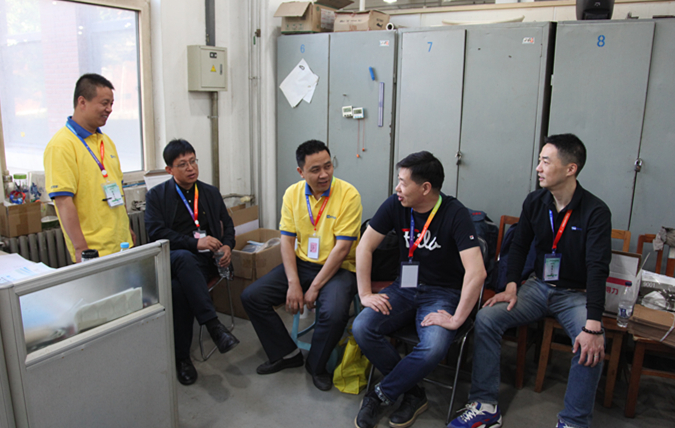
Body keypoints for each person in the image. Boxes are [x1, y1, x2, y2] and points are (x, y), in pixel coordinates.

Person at [448, 134, 611, 428]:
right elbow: (519, 246)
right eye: (539, 161)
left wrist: (594, 323)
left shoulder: (595, 212)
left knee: (590, 343)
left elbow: (598, 267)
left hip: (576, 294)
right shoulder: (535, 202)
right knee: (487, 318)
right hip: (537, 286)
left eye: (546, 161)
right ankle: (485, 405)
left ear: (570, 169)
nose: (538, 168)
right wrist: (511, 286)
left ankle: (574, 421)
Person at [353, 151, 487, 428]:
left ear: (425, 188)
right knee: (362, 327)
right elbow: (364, 246)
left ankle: (380, 394)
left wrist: (457, 319)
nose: (397, 188)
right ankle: (413, 392)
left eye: (403, 182)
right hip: (404, 287)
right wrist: (365, 294)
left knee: (433, 347)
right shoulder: (396, 204)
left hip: (442, 293)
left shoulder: (455, 213)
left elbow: (477, 272)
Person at [241, 140, 362, 391]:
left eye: (328, 166)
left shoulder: (348, 194)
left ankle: (316, 366)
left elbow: (341, 250)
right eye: (315, 169)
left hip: (339, 268)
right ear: (301, 172)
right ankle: (286, 354)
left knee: (334, 312)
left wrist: (314, 288)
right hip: (303, 263)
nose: (324, 174)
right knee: (252, 296)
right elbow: (287, 241)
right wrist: (294, 282)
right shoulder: (292, 194)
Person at [145, 139, 239, 386]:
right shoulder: (156, 196)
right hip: (174, 259)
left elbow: (228, 225)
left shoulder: (210, 192)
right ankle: (213, 326)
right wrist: (194, 243)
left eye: (193, 161)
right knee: (184, 260)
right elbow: (155, 232)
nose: (191, 168)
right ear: (169, 170)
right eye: (183, 164)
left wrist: (228, 245)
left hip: (206, 263)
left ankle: (182, 358)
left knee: (179, 290)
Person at [44, 73, 135, 262]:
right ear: (82, 102)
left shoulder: (105, 141)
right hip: (93, 251)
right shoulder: (61, 145)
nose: (109, 109)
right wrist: (81, 248)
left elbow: (118, 188)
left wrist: (127, 229)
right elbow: (63, 202)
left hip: (122, 245)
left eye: (111, 104)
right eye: (104, 103)